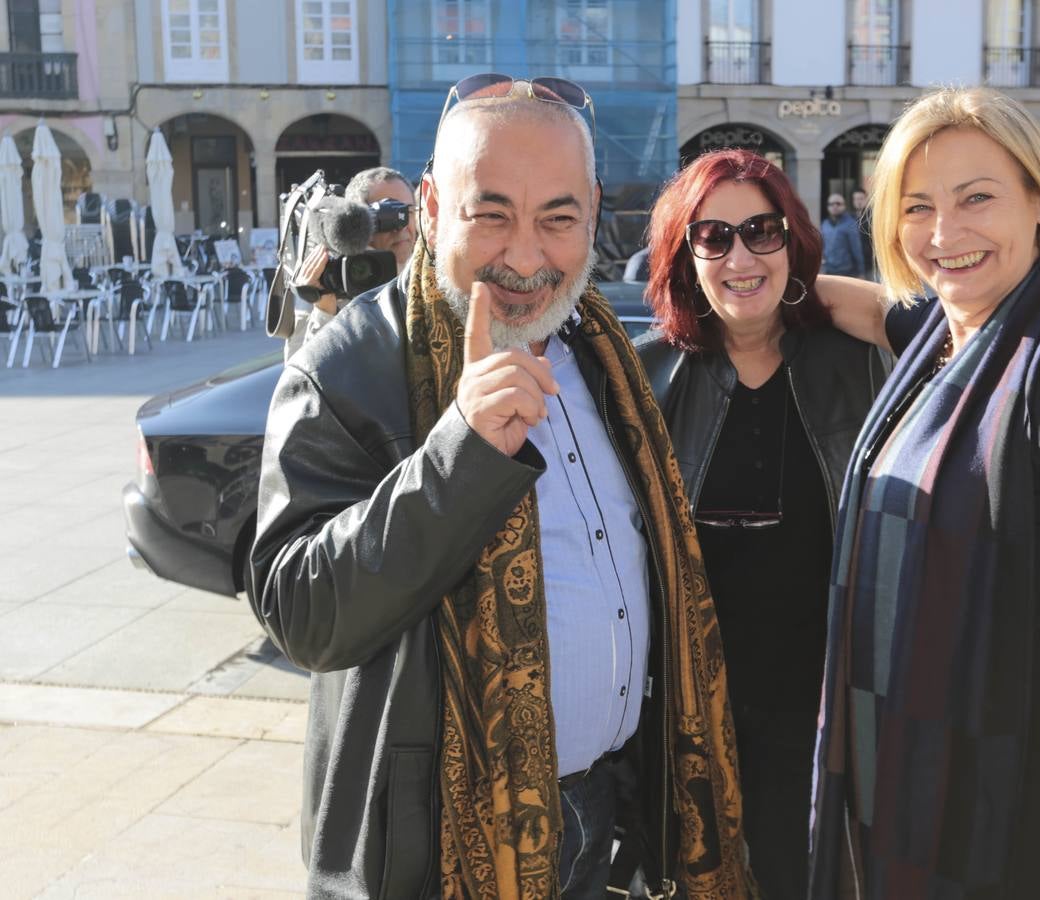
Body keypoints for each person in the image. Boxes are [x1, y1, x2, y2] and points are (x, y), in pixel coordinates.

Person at [248, 77, 755, 899]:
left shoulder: (601, 352)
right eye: (491, 215)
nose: (526, 257)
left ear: (592, 212)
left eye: (557, 219)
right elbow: (302, 611)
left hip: (606, 813)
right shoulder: (345, 368)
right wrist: (462, 452)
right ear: (432, 206)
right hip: (440, 841)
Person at [809, 86, 1040, 899]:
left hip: (1018, 814)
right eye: (917, 207)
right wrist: (746, 279)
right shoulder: (956, 342)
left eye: (976, 197)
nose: (944, 234)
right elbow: (878, 309)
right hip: (910, 788)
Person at [637, 149, 889, 899]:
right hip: (689, 721)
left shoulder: (861, 361)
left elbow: (955, 328)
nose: (740, 255)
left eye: (763, 232)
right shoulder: (645, 376)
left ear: (795, 241)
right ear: (684, 256)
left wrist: (819, 293)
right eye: (712, 238)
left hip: (824, 715)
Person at [284, 167, 417, 358]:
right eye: (389, 213)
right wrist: (324, 311)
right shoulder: (329, 280)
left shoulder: (430, 274)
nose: (401, 225)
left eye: (408, 211)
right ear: (356, 222)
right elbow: (299, 376)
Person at [820, 193, 864, 276]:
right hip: (829, 270)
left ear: (844, 206)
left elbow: (856, 249)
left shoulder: (850, 224)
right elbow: (822, 247)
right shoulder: (824, 224)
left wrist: (861, 272)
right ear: (827, 207)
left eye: (838, 203)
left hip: (846, 271)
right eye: (831, 204)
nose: (835, 206)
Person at [852, 187, 874, 278]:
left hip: (871, 264)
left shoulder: (873, 217)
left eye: (861, 198)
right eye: (856, 199)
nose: (858, 201)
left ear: (866, 199)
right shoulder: (850, 218)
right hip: (854, 265)